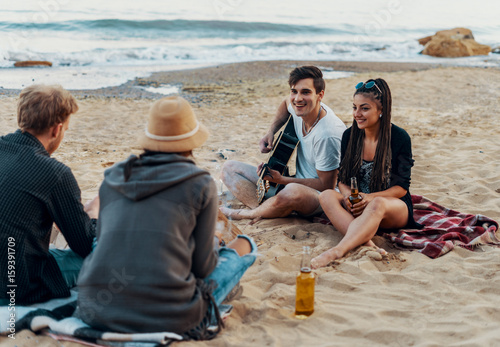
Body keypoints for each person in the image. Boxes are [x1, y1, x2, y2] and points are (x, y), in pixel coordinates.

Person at [76, 96, 257, 340]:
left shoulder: (114, 177)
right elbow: (203, 268)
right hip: (169, 314)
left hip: (93, 310)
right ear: (190, 142)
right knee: (246, 245)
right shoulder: (200, 183)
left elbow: (103, 242)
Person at [0, 85, 98, 305]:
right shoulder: (55, 173)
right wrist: (93, 218)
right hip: (19, 284)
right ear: (57, 129)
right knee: (95, 258)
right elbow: (83, 245)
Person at [311, 78, 421, 269]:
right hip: (358, 207)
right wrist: (347, 198)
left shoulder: (399, 138)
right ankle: (366, 242)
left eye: (364, 108)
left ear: (381, 110)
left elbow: (401, 188)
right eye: (354, 107)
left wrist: (368, 198)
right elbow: (342, 180)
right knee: (327, 195)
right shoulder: (349, 136)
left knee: (378, 204)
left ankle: (337, 250)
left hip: (392, 208)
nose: (357, 114)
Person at [220, 66, 346, 220]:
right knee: (229, 168)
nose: (298, 98)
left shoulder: (328, 134)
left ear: (320, 95)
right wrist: (271, 132)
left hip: (320, 198)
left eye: (305, 92)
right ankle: (261, 209)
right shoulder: (298, 107)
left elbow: (326, 186)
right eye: (294, 91)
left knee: (292, 191)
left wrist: (282, 180)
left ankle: (249, 214)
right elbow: (285, 103)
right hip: (293, 183)